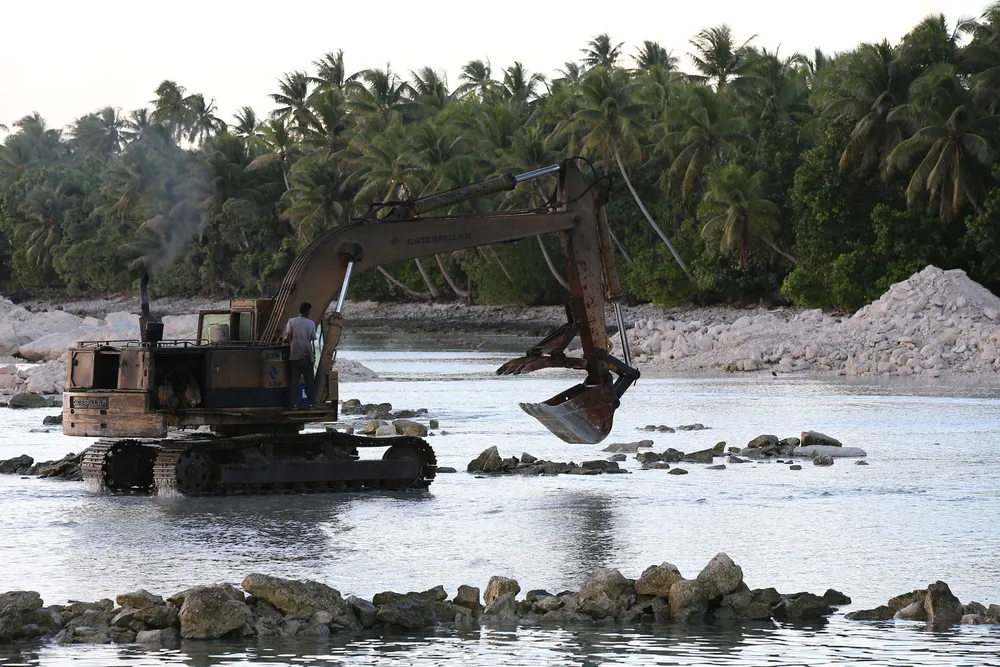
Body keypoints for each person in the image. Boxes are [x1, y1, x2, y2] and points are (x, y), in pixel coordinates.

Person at [282, 302, 318, 408]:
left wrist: (283, 340)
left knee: (294, 382)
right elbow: (312, 338)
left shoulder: (291, 321)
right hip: (307, 356)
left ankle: (294, 404)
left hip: (294, 356)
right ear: (308, 311)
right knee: (309, 381)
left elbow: (288, 336)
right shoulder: (310, 323)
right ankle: (312, 403)